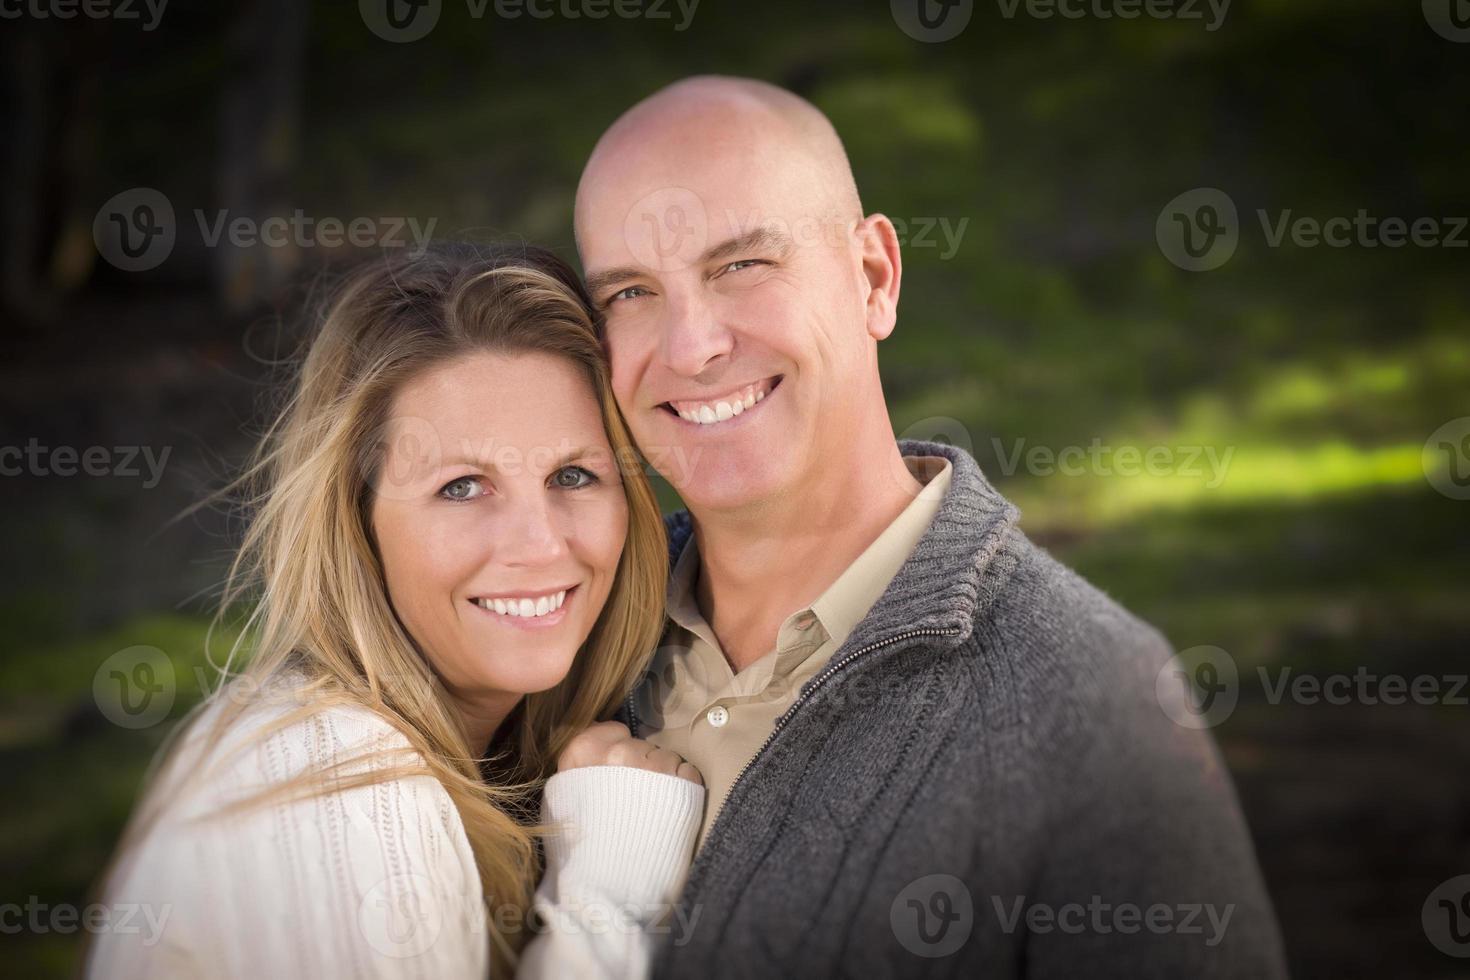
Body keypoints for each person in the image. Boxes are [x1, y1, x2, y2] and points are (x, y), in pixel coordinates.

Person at [574, 75, 1289, 977]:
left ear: (874, 277)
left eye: (741, 265)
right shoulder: (562, 640)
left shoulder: (1096, 701)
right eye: (630, 294)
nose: (690, 347)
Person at [86, 243, 706, 979]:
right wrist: (609, 888)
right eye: (462, 487)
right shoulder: (339, 790)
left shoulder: (425, 748)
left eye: (573, 474)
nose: (540, 545)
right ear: (358, 520)